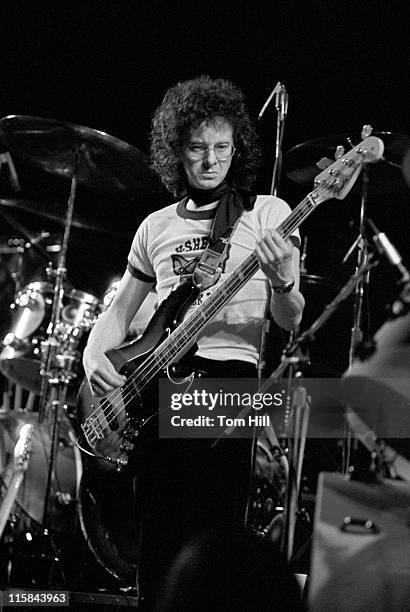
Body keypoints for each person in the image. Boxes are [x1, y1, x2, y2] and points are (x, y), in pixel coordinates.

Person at [83, 75, 304, 608]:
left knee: (211, 545)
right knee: (157, 546)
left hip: (231, 384)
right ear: (176, 151)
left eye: (222, 148)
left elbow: (291, 318)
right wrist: (96, 363)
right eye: (197, 148)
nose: (211, 161)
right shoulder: (154, 226)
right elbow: (120, 314)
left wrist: (282, 280)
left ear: (238, 148)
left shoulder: (268, 214)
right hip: (157, 383)